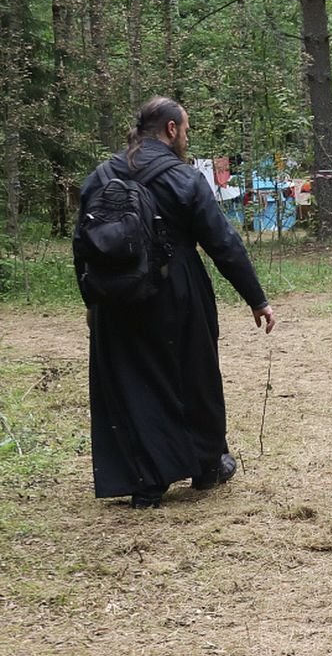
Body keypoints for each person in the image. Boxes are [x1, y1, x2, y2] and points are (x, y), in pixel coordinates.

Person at [73, 97, 276, 508]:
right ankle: (205, 466)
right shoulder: (183, 179)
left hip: (116, 298)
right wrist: (256, 299)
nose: (186, 137)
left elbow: (82, 244)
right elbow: (223, 243)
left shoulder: (101, 176)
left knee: (130, 384)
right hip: (176, 292)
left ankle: (145, 480)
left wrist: (92, 302)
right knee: (193, 378)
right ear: (169, 129)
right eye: (185, 130)